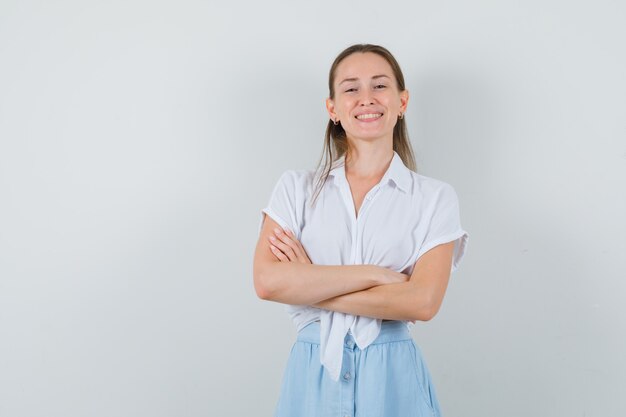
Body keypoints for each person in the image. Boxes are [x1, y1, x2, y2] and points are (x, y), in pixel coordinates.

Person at [253, 44, 469, 417]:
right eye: (351, 88)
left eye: (380, 86)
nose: (366, 98)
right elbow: (268, 283)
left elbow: (422, 302)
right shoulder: (296, 189)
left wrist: (309, 283)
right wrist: (377, 277)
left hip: (393, 379)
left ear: (402, 102)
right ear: (333, 108)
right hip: (312, 374)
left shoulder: (435, 198)